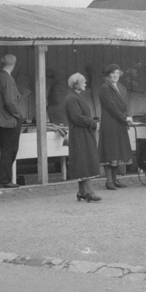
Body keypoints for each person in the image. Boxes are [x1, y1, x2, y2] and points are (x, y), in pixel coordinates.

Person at [0, 54, 23, 188]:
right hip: (9, 120)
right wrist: (18, 114)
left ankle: (4, 179)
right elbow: (9, 101)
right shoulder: (7, 79)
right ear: (13, 64)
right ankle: (4, 180)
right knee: (10, 150)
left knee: (4, 149)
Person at [63, 73, 101, 202]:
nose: (85, 84)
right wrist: (93, 123)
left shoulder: (75, 97)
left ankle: (82, 191)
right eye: (83, 82)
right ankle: (90, 192)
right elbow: (77, 117)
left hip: (82, 132)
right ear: (76, 84)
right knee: (84, 161)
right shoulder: (72, 98)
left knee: (83, 160)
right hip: (80, 133)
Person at [97, 64, 132, 189]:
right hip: (110, 123)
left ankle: (116, 179)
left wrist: (128, 116)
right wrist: (124, 118)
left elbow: (125, 105)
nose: (115, 75)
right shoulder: (105, 88)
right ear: (107, 76)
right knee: (110, 151)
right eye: (112, 73)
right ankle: (109, 181)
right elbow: (111, 107)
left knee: (117, 150)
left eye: (117, 73)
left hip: (120, 123)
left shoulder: (121, 87)